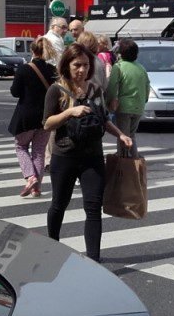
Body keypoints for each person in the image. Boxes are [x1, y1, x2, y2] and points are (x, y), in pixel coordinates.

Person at [43, 44, 133, 262]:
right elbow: (47, 123)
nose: (81, 70)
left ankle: (94, 259)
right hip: (64, 156)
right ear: (67, 65)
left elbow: (103, 119)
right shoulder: (57, 89)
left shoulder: (95, 90)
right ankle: (51, 245)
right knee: (59, 204)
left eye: (85, 65)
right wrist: (69, 112)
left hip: (92, 156)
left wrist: (120, 134)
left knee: (93, 208)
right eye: (77, 65)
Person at [8, 37, 57, 198]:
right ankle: (37, 188)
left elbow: (15, 92)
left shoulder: (24, 69)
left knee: (21, 146)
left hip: (26, 116)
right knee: (39, 151)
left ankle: (31, 177)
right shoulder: (52, 70)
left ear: (32, 50)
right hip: (46, 117)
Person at [106, 38, 151, 150]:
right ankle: (133, 163)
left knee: (123, 137)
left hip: (124, 107)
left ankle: (125, 164)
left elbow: (112, 87)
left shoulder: (118, 67)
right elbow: (147, 86)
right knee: (131, 136)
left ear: (120, 53)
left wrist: (108, 103)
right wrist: (144, 100)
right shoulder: (141, 68)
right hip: (139, 106)